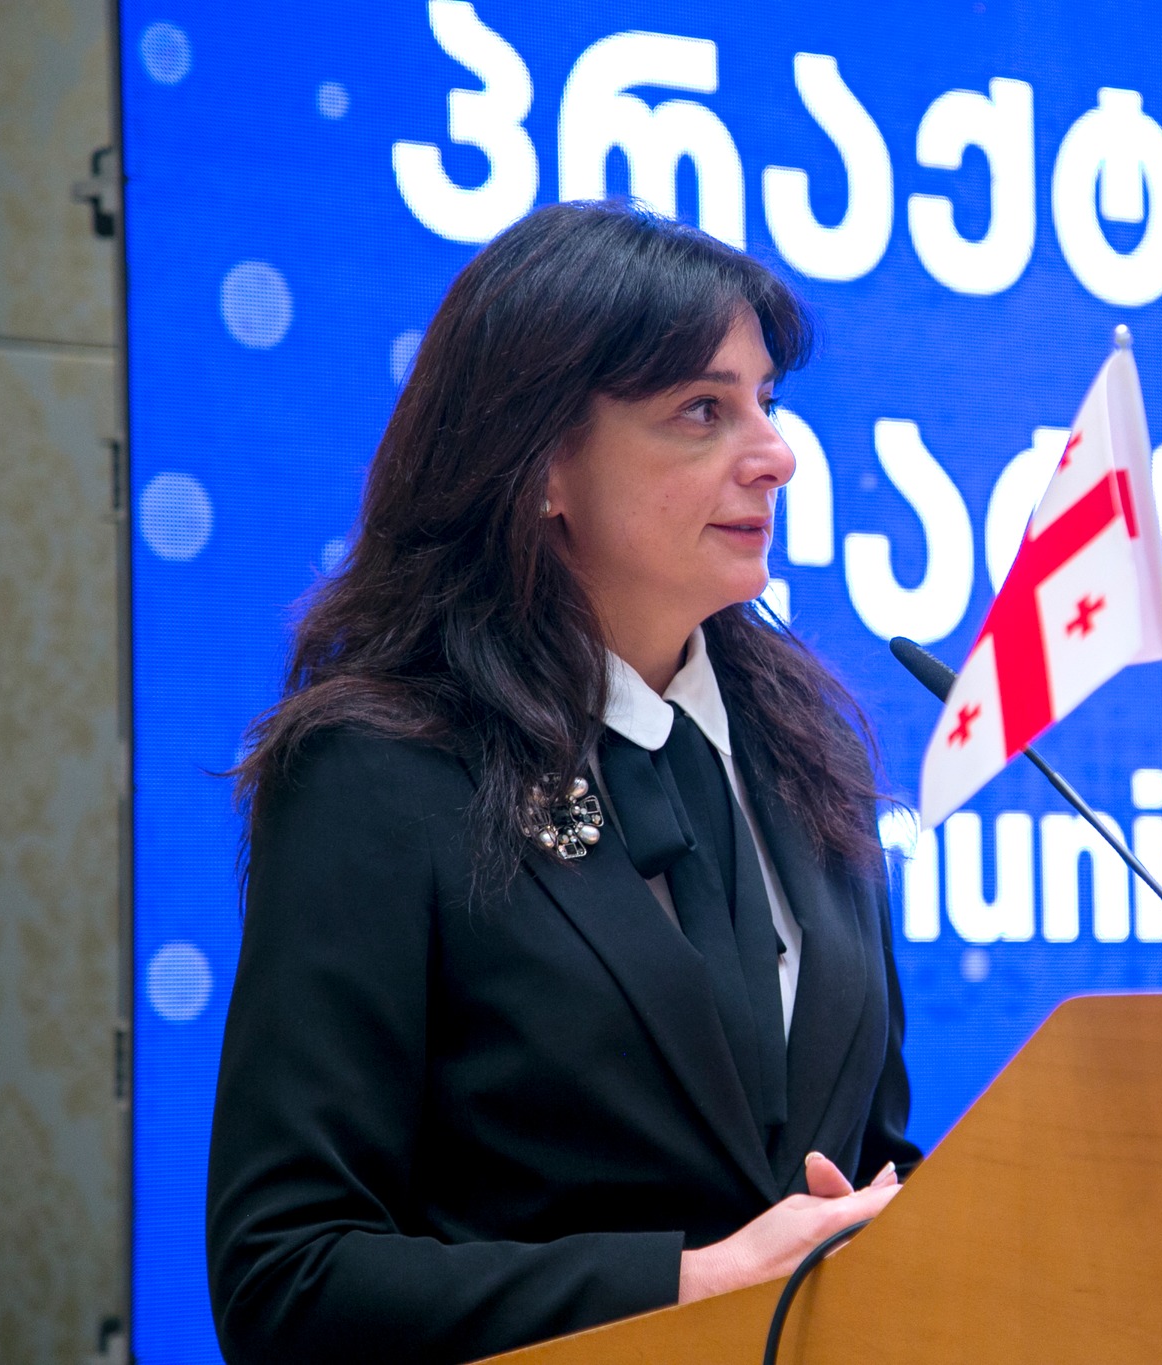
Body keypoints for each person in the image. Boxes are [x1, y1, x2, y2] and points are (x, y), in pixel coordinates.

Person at [207, 201, 916, 1365]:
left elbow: (868, 1159)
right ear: (541, 464)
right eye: (702, 411)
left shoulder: (809, 754)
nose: (776, 454)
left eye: (764, 402)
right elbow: (287, 1276)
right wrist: (689, 1286)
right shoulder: (378, 771)